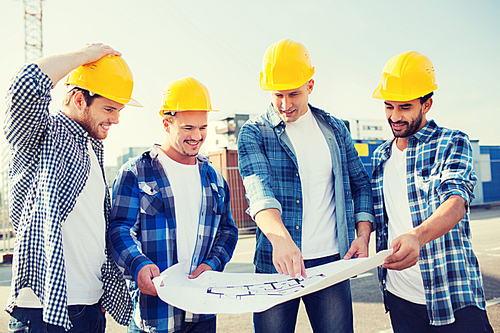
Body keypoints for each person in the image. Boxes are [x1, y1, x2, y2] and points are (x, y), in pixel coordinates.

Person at [237, 39, 375, 333]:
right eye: (278, 95)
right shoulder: (254, 132)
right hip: (276, 262)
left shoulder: (335, 129)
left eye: (294, 94)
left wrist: (362, 235)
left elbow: (360, 184)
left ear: (310, 85)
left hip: (330, 263)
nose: (285, 105)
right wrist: (282, 241)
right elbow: (259, 192)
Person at [3, 43, 141, 331]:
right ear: (79, 100)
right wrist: (84, 57)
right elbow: (25, 84)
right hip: (44, 311)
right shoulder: (41, 135)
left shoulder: (92, 148)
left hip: (89, 309)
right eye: (108, 109)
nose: (116, 119)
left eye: (119, 110)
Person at [371, 50, 493, 332]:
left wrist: (417, 236)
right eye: (389, 106)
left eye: (405, 107)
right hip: (401, 299)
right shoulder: (380, 157)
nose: (395, 116)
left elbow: (456, 199)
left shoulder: (452, 142)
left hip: (452, 293)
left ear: (427, 105)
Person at [109, 77, 238, 333]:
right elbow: (120, 229)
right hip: (154, 315)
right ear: (166, 123)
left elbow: (227, 231)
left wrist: (212, 264)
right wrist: (138, 264)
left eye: (203, 127)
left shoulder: (215, 179)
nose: (197, 136)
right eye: (188, 128)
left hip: (202, 313)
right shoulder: (135, 173)